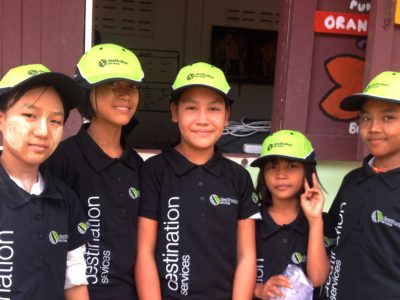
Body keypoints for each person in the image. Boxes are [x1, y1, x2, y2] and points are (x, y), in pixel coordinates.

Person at [135, 62, 261, 299]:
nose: (202, 119)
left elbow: (247, 256)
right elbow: (144, 253)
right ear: (174, 112)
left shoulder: (239, 178)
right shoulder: (154, 171)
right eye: (191, 108)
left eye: (213, 109)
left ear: (227, 116)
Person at [44, 43, 144, 299]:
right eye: (113, 85)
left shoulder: (138, 166)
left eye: (131, 86)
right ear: (87, 93)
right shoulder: (61, 159)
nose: (124, 95)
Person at [0, 64, 89, 299]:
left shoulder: (66, 200)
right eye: (30, 115)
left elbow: (75, 282)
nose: (43, 131)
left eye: (55, 121)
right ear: (1, 119)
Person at [324, 71, 400, 299]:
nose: (373, 127)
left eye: (388, 117)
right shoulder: (352, 180)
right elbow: (331, 241)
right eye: (366, 118)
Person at [251, 130, 330, 299]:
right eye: (272, 167)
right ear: (263, 174)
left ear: (307, 172)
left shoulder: (321, 220)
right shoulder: (250, 219)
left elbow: (317, 279)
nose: (281, 175)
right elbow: (227, 271)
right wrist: (257, 290)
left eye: (291, 166)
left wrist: (315, 221)